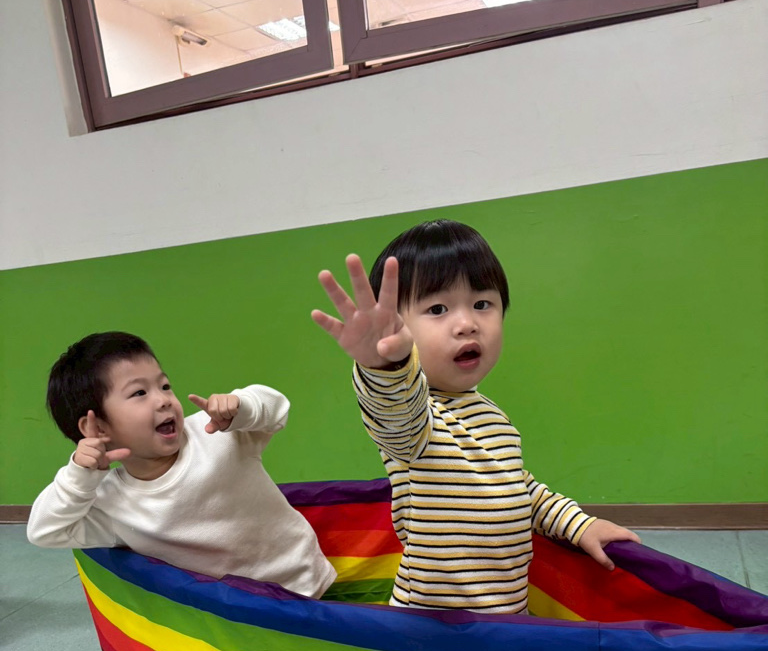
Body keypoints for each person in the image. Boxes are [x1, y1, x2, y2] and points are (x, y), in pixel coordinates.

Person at [312, 219, 639, 614]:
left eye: (482, 304)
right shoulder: (417, 420)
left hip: (505, 615)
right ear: (396, 329)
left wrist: (579, 524)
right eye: (437, 309)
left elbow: (520, 489)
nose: (467, 324)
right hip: (432, 626)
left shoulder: (493, 417)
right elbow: (393, 412)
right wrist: (385, 366)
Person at [27, 332, 336, 598]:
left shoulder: (213, 431)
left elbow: (277, 409)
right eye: (139, 392)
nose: (164, 400)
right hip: (234, 616)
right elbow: (43, 530)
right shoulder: (113, 504)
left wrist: (242, 406)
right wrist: (80, 474)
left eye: (164, 386)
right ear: (98, 428)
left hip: (304, 581)